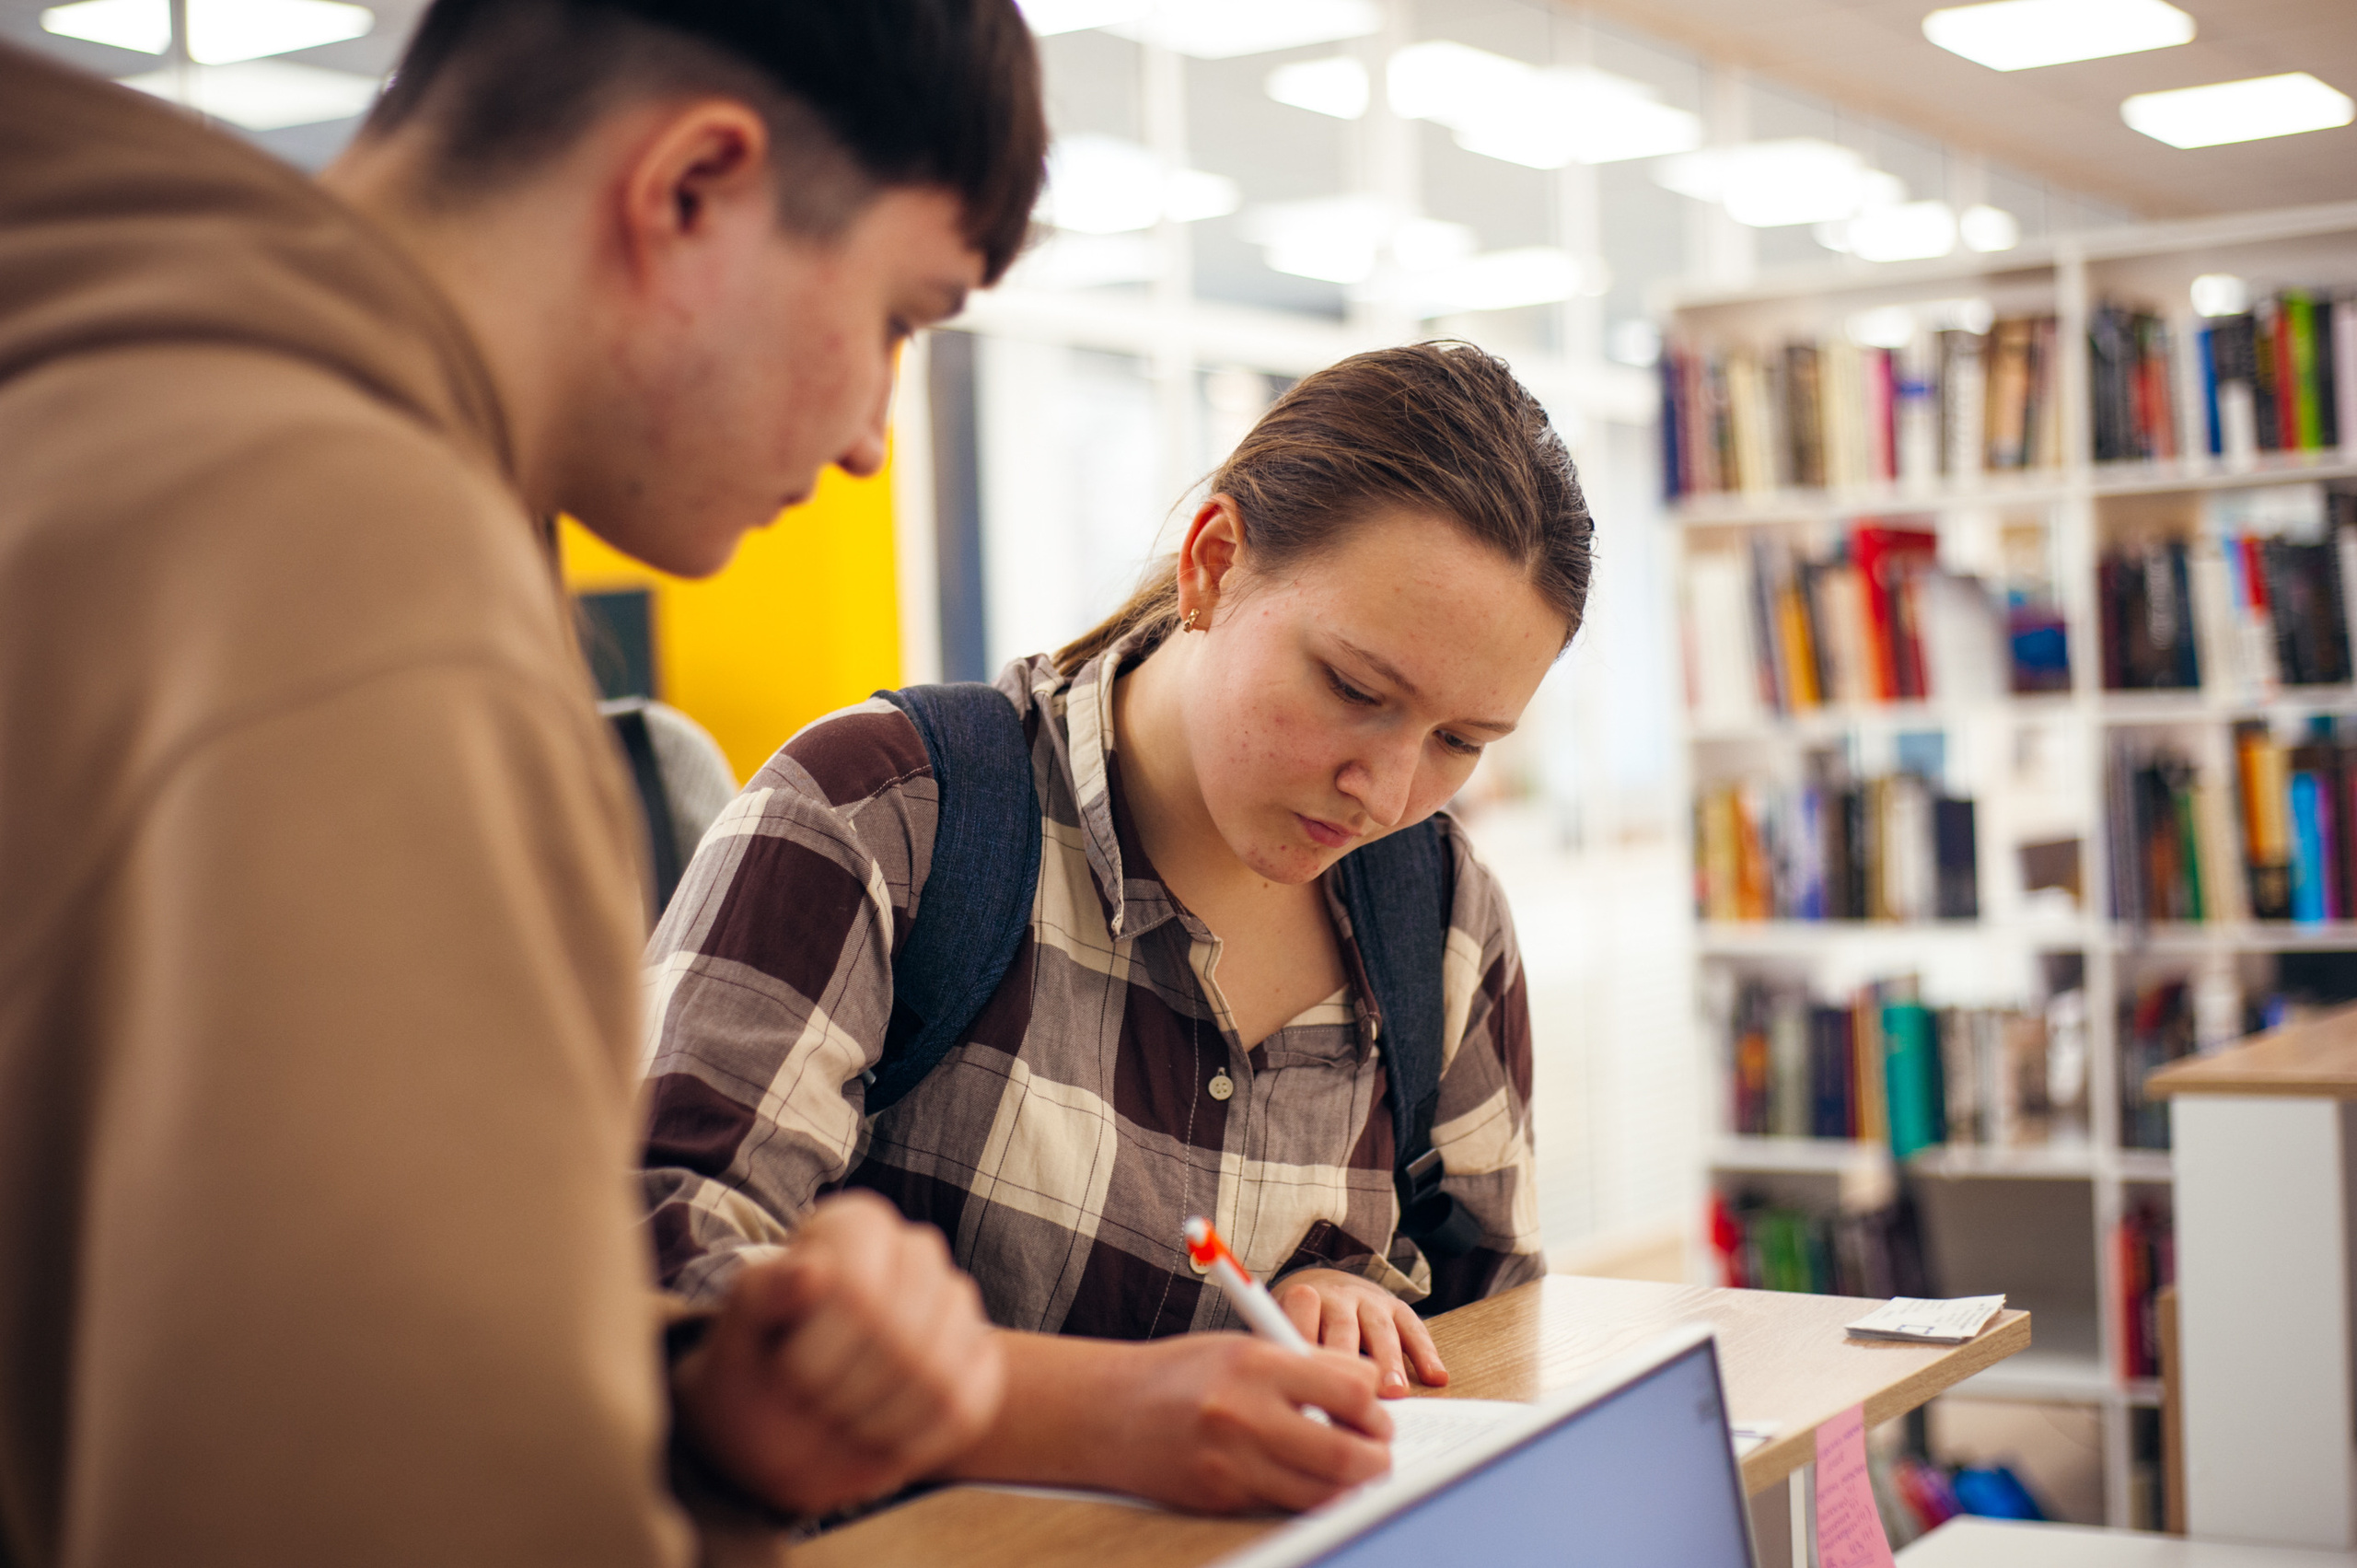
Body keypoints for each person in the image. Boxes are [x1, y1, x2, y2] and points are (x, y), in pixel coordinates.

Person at [0, 1, 1047, 1562]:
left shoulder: (111, 406)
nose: (870, 445)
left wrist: (679, 1413)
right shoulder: (368, 578)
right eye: (900, 316)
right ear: (690, 187)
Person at [640, 341, 1592, 1513]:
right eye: (1354, 688)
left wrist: (1374, 1315)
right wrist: (1093, 1413)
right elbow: (665, 1273)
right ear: (1214, 564)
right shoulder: (881, 814)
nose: (1386, 792)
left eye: (1459, 741)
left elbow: (1501, 1329)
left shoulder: (1440, 912)